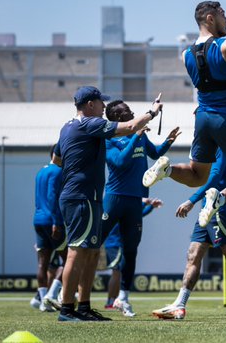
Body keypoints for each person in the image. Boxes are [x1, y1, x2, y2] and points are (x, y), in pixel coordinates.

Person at [142, 1, 226, 229]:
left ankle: (167, 169)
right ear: (210, 18)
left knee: (197, 175)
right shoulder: (225, 44)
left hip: (202, 119)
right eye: (223, 15)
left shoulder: (186, 54)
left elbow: (212, 70)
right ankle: (219, 197)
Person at [53, 86, 162, 322]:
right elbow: (131, 127)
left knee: (91, 253)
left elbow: (56, 158)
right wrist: (152, 112)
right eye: (101, 103)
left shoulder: (68, 127)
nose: (104, 107)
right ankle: (66, 309)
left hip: (85, 196)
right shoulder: (89, 124)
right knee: (76, 253)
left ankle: (83, 307)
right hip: (81, 197)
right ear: (90, 105)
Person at [152, 150, 226, 321]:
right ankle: (179, 305)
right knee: (193, 255)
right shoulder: (209, 147)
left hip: (220, 210)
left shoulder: (222, 147)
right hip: (206, 210)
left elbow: (214, 178)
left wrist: (191, 201)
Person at [100, 99, 181, 317]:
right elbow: (120, 162)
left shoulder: (141, 136)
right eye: (127, 111)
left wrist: (168, 141)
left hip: (135, 199)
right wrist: (134, 137)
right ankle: (64, 291)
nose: (132, 113)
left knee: (131, 250)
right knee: (92, 242)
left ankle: (123, 299)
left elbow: (154, 153)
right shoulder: (109, 139)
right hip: (115, 198)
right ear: (118, 117)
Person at [103, 198, 162, 311]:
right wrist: (144, 203)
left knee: (118, 272)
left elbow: (139, 214)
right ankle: (110, 301)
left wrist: (150, 206)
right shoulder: (116, 211)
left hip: (117, 244)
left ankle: (114, 300)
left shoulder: (119, 211)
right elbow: (134, 212)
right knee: (116, 272)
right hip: (114, 244)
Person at [33, 145, 67, 312]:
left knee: (42, 263)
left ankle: (41, 300)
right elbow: (53, 197)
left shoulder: (41, 171)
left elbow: (38, 198)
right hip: (51, 220)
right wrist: (56, 221)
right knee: (68, 260)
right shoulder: (57, 171)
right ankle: (51, 296)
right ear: (56, 154)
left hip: (38, 219)